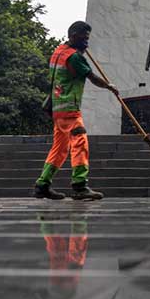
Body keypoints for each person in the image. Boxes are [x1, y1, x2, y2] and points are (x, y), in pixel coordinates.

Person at [34, 21, 119, 201]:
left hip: (57, 109)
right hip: (69, 109)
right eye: (84, 38)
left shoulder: (58, 52)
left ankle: (43, 184)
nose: (86, 42)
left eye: (88, 39)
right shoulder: (74, 58)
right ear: (73, 35)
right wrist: (109, 87)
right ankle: (80, 185)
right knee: (80, 142)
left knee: (60, 148)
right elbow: (92, 77)